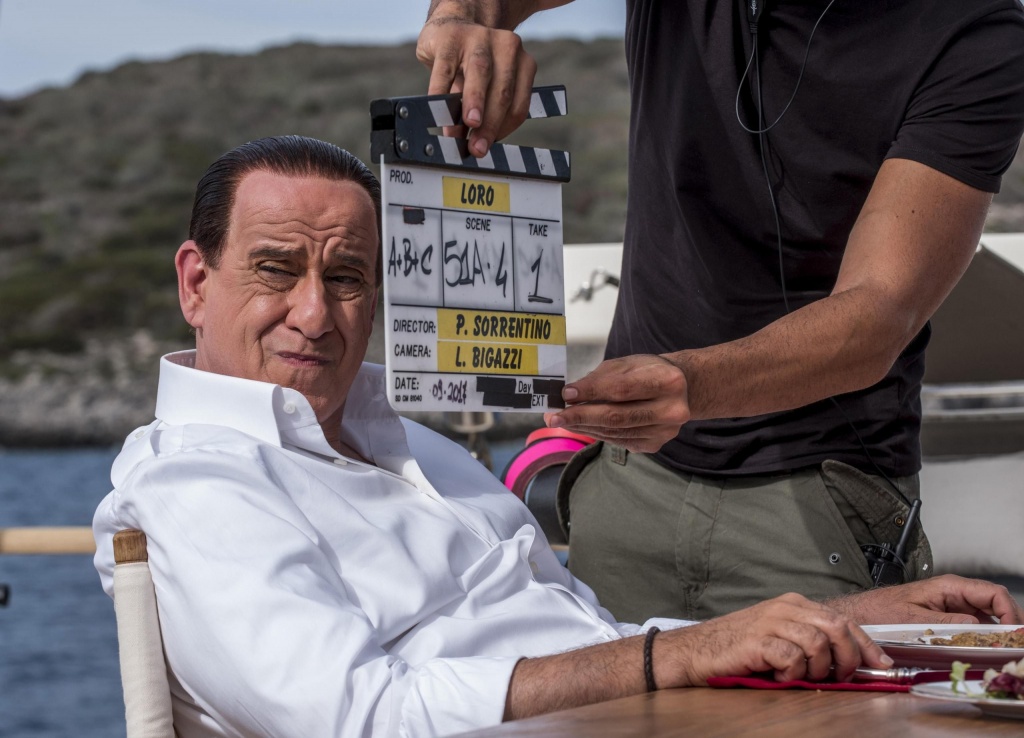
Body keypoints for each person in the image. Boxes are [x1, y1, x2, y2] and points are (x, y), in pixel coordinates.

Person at [91, 136, 1022, 737]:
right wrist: (670, 657)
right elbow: (357, 716)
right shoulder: (201, 486)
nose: (314, 312)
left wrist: (846, 620)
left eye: (346, 278)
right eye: (275, 269)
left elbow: (589, 637)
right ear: (195, 282)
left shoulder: (416, 447)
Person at [416, 0, 1024, 622]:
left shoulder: (973, 29)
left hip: (821, 501)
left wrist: (690, 383)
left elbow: (878, 314)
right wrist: (463, 18)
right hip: (628, 479)